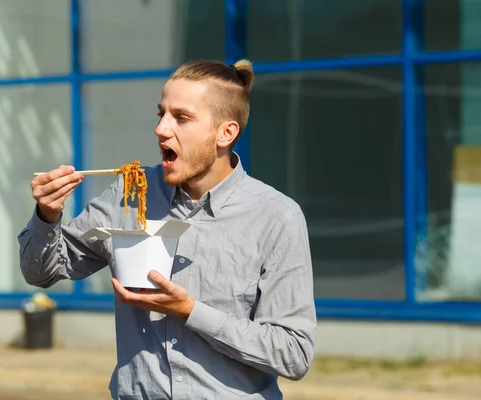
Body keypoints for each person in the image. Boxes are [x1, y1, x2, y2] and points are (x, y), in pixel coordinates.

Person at [18, 58, 316, 399]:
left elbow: (293, 354)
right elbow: (42, 272)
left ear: (225, 132)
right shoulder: (129, 193)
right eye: (161, 113)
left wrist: (191, 312)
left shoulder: (276, 218)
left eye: (181, 117)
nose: (162, 128)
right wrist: (47, 214)